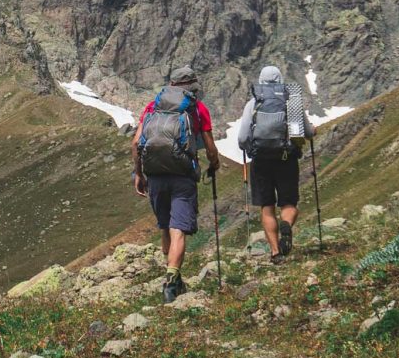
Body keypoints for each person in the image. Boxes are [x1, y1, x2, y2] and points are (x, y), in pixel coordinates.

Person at [131, 65, 221, 303]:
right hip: (182, 175)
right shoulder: (197, 108)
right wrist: (214, 163)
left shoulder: (154, 106)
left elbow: (136, 142)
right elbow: (210, 145)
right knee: (178, 228)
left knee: (164, 225)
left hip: (156, 175)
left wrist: (138, 174)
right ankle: (172, 280)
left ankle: (170, 273)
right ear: (193, 85)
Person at [236, 65, 314, 264]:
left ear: (261, 81)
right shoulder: (290, 101)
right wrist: (312, 131)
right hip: (286, 160)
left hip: (260, 161)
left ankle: (275, 253)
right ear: (280, 80)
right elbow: (306, 131)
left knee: (267, 207)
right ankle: (286, 224)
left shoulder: (253, 103)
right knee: (289, 203)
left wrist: (247, 148)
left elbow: (243, 136)